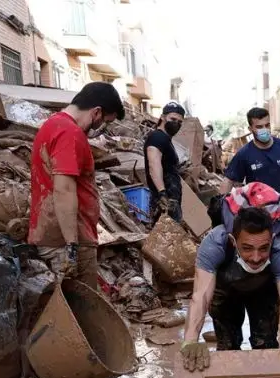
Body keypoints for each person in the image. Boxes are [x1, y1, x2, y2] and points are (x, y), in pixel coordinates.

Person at [180, 198, 280, 372]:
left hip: (263, 292)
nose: (256, 257)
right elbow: (201, 296)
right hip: (226, 293)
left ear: (272, 240)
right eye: (247, 248)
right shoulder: (214, 244)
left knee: (266, 348)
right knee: (228, 348)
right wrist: (190, 340)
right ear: (233, 241)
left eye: (264, 248)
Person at [28, 82, 125, 289]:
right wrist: (72, 246)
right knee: (81, 311)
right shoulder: (69, 133)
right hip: (67, 241)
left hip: (55, 234)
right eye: (105, 122)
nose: (102, 129)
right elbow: (64, 190)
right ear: (96, 112)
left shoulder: (53, 125)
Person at [223, 107, 280, 230]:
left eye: (267, 125)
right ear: (250, 129)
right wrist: (222, 211)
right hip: (258, 217)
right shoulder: (244, 154)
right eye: (259, 127)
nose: (264, 130)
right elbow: (228, 180)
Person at [144, 101, 185, 223]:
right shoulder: (157, 137)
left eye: (179, 122)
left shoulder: (165, 139)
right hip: (165, 201)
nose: (176, 123)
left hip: (171, 200)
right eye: (173, 119)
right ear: (162, 117)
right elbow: (154, 164)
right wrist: (162, 193)